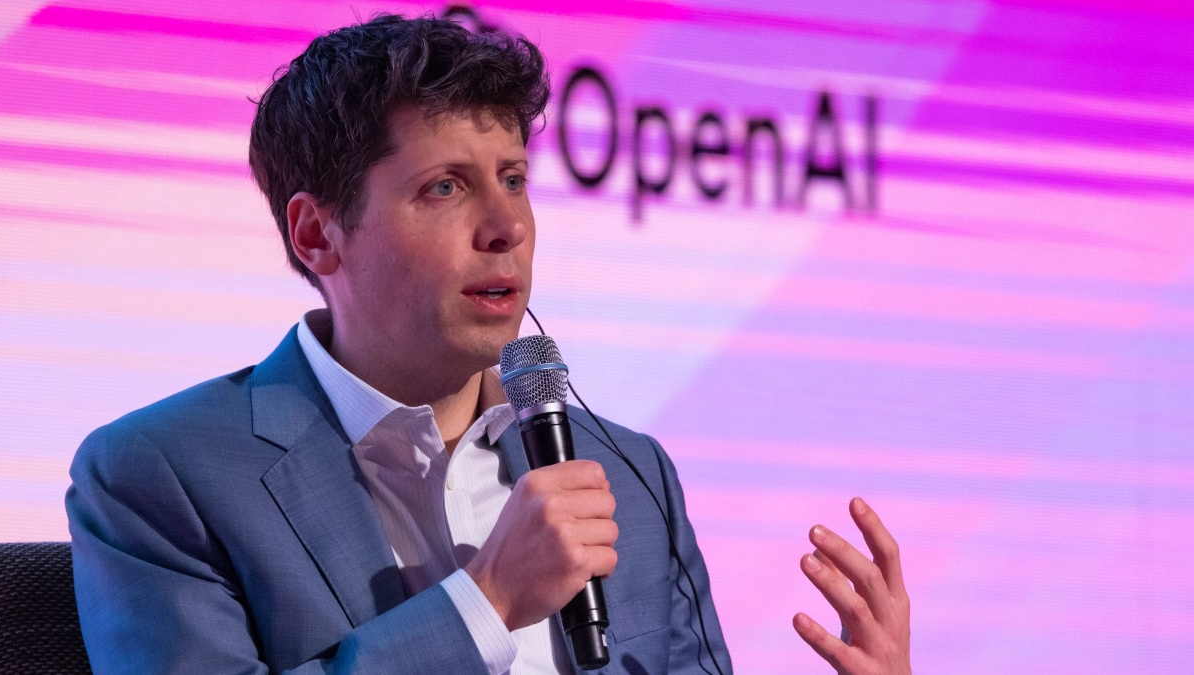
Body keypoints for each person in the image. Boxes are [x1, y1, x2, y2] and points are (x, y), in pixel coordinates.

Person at [65, 13, 910, 675]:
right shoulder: (162, 475)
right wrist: (488, 599)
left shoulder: (628, 471)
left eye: (513, 179)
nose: (507, 226)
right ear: (318, 234)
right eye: (446, 187)